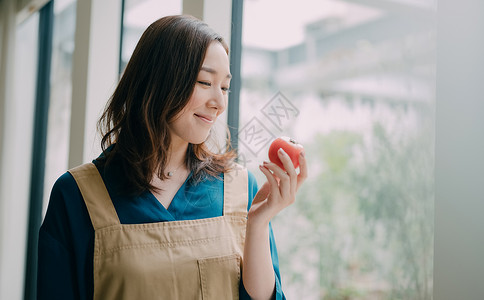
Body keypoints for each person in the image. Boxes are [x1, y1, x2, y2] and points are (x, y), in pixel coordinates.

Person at [37, 15, 307, 300]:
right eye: (205, 82)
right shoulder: (77, 194)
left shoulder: (241, 188)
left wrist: (258, 224)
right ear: (158, 81)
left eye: (225, 87)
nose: (219, 103)